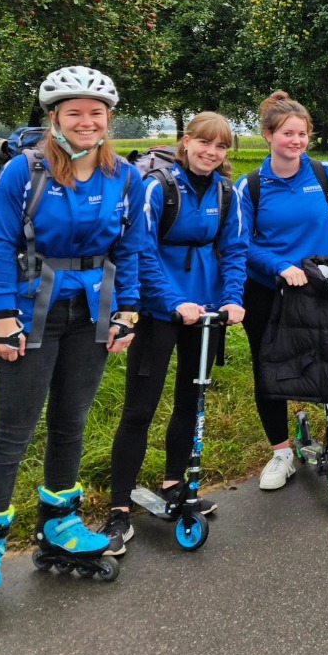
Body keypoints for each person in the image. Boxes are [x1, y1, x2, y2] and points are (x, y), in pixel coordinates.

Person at [0, 66, 147, 616]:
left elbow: (131, 247)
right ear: (54, 119)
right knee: (14, 430)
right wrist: (3, 316)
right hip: (30, 308)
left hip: (94, 306)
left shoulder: (126, 177)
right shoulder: (27, 170)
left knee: (72, 421)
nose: (87, 121)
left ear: (108, 120)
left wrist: (128, 311)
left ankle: (59, 521)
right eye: (74, 113)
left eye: (96, 113)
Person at [103, 112, 247, 551]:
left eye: (221, 147)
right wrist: (171, 302)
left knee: (191, 400)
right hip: (159, 309)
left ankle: (173, 485)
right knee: (140, 408)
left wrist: (232, 298)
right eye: (205, 143)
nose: (211, 152)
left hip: (205, 311)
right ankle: (118, 509)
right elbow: (142, 252)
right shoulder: (159, 186)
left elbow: (235, 248)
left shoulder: (226, 192)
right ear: (186, 143)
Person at [238, 91, 328, 489]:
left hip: (322, 287)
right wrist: (279, 266)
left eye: (302, 134)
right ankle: (281, 453)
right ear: (267, 135)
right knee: (272, 370)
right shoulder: (250, 186)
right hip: (270, 292)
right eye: (287, 133)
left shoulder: (324, 174)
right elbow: (241, 243)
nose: (296, 141)